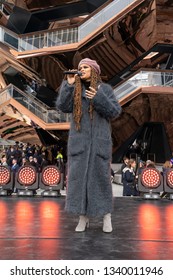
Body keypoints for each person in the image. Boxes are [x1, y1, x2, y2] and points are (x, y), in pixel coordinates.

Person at [56, 58, 122, 233]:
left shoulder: (104, 89)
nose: (81, 69)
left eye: (85, 67)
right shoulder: (76, 90)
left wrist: (98, 97)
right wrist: (69, 85)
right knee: (79, 182)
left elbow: (114, 111)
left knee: (101, 180)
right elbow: (62, 106)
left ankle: (106, 216)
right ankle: (82, 218)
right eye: (80, 67)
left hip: (99, 144)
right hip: (80, 144)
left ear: (94, 70)